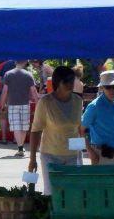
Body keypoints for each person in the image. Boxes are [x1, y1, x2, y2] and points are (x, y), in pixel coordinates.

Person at [27, 66, 84, 195]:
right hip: (51, 157)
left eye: (72, 80)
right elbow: (35, 131)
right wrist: (32, 159)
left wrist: (81, 154)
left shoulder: (78, 101)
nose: (71, 84)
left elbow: (78, 128)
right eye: (67, 81)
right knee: (53, 194)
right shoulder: (45, 102)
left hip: (73, 156)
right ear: (58, 82)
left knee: (72, 194)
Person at [82, 70, 114, 165]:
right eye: (108, 87)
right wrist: (90, 152)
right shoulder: (94, 106)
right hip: (100, 153)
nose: (112, 90)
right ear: (102, 88)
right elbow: (81, 129)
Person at [0, 60, 38, 156]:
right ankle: (21, 147)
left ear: (15, 62)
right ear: (25, 62)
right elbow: (33, 91)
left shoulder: (8, 74)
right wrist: (38, 104)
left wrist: (2, 104)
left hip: (12, 104)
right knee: (24, 126)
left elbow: (5, 91)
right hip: (25, 104)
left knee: (16, 126)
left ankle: (20, 147)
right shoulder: (28, 74)